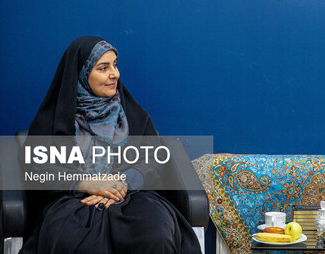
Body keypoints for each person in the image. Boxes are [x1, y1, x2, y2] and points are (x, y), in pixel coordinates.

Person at [20, 36, 201, 253]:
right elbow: (37, 170)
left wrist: (123, 182)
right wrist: (85, 183)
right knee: (75, 242)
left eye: (115, 65)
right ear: (81, 74)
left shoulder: (134, 116)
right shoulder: (51, 121)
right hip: (73, 201)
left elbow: (155, 160)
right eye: (103, 68)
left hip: (133, 195)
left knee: (155, 236)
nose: (115, 74)